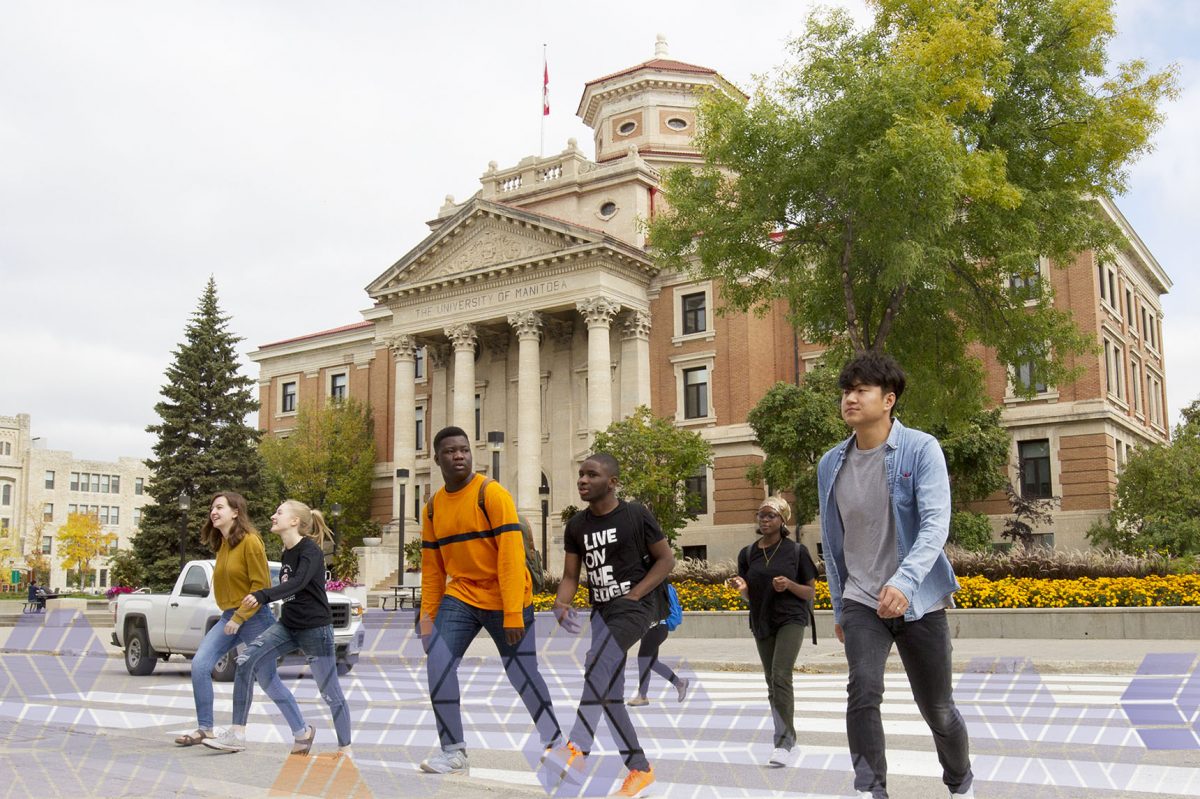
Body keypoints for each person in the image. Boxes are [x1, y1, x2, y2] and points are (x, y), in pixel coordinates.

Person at [817, 352, 974, 799]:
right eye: (847, 390)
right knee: (862, 692)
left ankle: (960, 783)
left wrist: (904, 583)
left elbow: (934, 525)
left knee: (938, 710)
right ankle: (872, 791)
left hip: (919, 599)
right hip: (863, 599)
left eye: (861, 390)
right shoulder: (831, 463)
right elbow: (833, 540)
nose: (850, 398)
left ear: (888, 400)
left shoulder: (921, 448)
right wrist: (840, 605)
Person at [417, 426, 562, 775]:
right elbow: (433, 569)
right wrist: (427, 617)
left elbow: (511, 558)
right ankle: (453, 751)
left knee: (522, 673)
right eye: (450, 451)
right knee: (438, 663)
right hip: (462, 594)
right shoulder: (433, 508)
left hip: (506, 595)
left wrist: (513, 613)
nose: (459, 456)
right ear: (437, 458)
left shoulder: (491, 494)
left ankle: (555, 742)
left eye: (464, 450)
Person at [548, 453, 675, 798]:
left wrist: (636, 594)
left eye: (592, 475)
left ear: (612, 482)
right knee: (608, 694)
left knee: (596, 665)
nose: (583, 481)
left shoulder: (635, 514)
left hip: (634, 608)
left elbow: (666, 559)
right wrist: (561, 602)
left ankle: (577, 747)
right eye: (581, 475)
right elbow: (572, 575)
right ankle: (640, 769)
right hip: (602, 612)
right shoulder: (577, 525)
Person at [205, 500, 352, 756]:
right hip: (287, 627)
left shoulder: (310, 551)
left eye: (279, 512)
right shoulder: (287, 552)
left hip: (316, 630)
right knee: (245, 661)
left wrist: (263, 595)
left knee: (329, 692)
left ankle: (345, 747)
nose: (273, 516)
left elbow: (297, 583)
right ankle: (237, 733)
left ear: (295, 521)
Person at [174, 492, 290, 748]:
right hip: (230, 617)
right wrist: (232, 616)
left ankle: (302, 730)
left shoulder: (251, 542)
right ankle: (206, 728)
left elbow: (260, 586)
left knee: (268, 680)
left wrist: (239, 617)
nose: (213, 512)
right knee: (200, 665)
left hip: (255, 618)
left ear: (235, 512)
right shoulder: (224, 544)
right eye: (211, 508)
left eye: (219, 507)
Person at [727, 495, 817, 768]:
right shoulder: (748, 553)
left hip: (791, 618)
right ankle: (785, 734)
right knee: (771, 681)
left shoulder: (797, 552)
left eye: (771, 516)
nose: (764, 520)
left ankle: (785, 741)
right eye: (761, 515)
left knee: (780, 675)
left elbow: (810, 592)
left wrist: (789, 584)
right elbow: (750, 596)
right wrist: (742, 589)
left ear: (782, 520)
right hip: (762, 619)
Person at [627, 608, 689, 708]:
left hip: (656, 628)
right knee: (652, 662)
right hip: (651, 628)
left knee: (643, 659)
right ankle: (679, 683)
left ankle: (642, 696)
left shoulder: (653, 592)